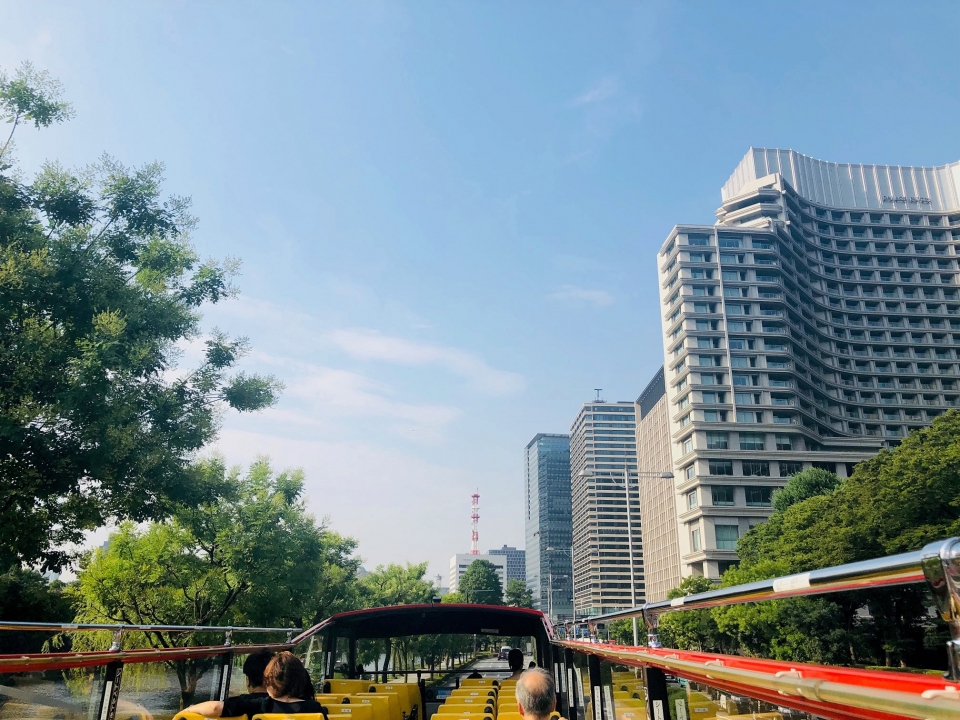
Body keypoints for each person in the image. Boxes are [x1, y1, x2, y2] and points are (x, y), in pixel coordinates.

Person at [183, 651, 323, 718]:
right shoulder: (315, 708)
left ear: (269, 681)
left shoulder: (260, 705)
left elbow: (215, 707)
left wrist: (187, 710)